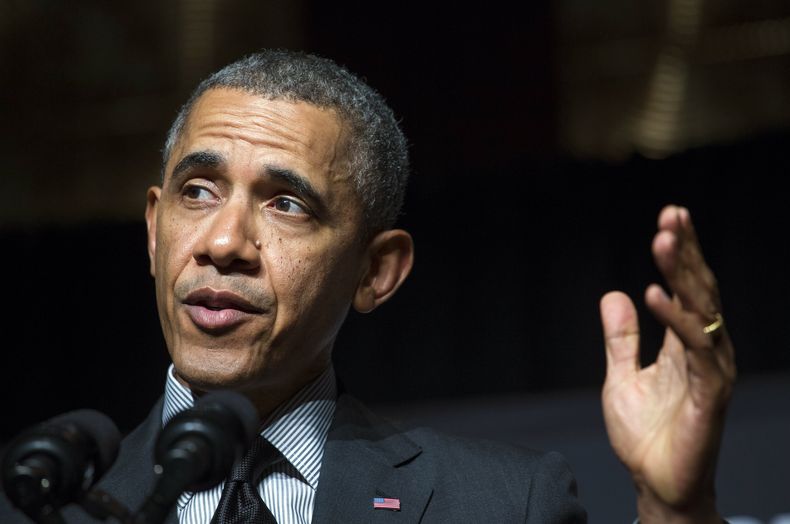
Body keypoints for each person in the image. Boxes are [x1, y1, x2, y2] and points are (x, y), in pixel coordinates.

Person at [0, 49, 735, 523]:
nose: (223, 243)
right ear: (155, 232)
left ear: (377, 271)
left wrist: (676, 508)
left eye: (286, 204)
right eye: (198, 191)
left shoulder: (501, 504)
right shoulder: (39, 506)